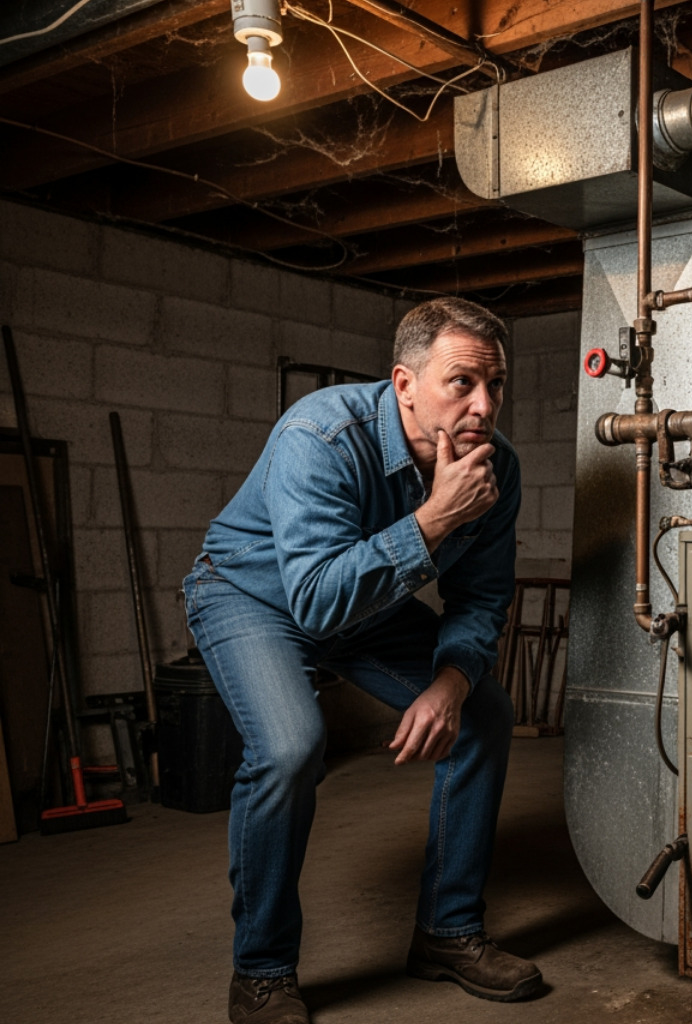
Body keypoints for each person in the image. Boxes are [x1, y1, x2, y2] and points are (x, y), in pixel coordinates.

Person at [184, 297, 537, 1024]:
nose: (483, 405)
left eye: (495, 385)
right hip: (252, 592)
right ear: (404, 384)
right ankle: (261, 971)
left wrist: (450, 681)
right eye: (461, 383)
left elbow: (481, 597)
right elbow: (315, 602)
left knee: (483, 715)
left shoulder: (495, 468)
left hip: (363, 604)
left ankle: (446, 932)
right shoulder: (320, 433)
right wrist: (437, 517)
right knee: (289, 747)